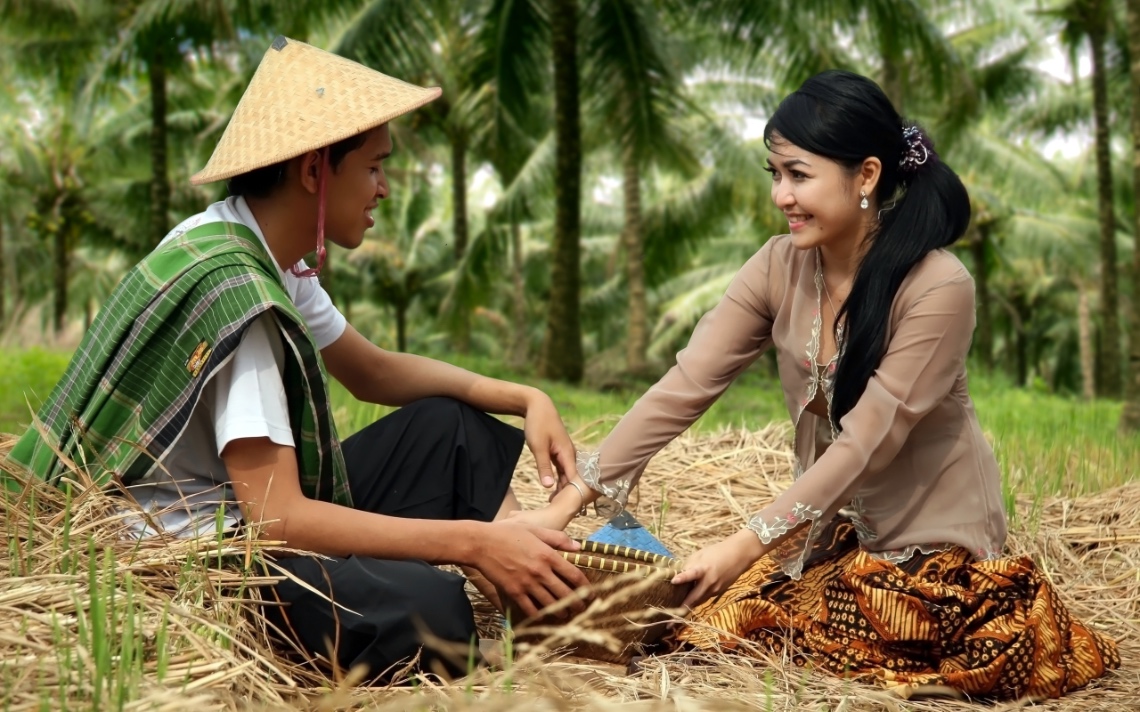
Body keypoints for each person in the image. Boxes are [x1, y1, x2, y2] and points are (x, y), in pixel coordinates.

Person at [514, 70, 1120, 700]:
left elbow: (864, 445)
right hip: (827, 540)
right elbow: (686, 384)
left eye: (798, 174)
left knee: (814, 633)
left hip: (930, 554)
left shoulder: (939, 286)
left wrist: (743, 545)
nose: (782, 195)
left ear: (866, 176)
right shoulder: (779, 265)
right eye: (774, 174)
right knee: (709, 628)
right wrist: (571, 497)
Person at [6, 37, 589, 681]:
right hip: (196, 558)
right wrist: (473, 543)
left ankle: (543, 582)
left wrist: (528, 398)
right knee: (435, 609)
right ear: (315, 171)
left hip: (243, 515)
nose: (384, 188)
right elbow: (279, 519)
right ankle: (522, 573)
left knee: (450, 429)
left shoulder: (257, 247)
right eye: (372, 167)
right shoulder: (241, 299)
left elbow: (373, 372)